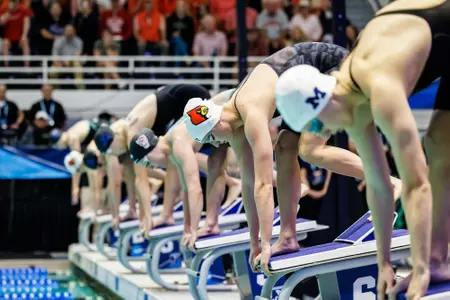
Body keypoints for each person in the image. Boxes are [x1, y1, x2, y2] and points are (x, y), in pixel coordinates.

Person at [273, 1, 450, 298]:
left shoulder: (379, 85)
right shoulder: (351, 102)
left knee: (437, 146)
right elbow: (380, 186)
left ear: (325, 102)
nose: (324, 133)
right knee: (438, 143)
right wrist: (383, 263)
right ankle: (438, 261)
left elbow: (417, 184)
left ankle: (433, 261)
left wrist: (418, 269)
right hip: (434, 41)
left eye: (317, 126)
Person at [183, 42, 402, 275]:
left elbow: (264, 185)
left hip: (332, 68)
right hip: (298, 83)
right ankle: (288, 236)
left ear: (216, 123)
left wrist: (266, 244)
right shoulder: (235, 126)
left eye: (211, 138)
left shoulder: (251, 113)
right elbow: (249, 184)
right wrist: (255, 243)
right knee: (286, 148)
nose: (215, 144)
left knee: (310, 150)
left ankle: (389, 182)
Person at [128, 93, 243, 248]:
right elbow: (186, 191)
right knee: (214, 165)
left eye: (149, 163)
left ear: (152, 149)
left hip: (233, 103)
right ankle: (211, 224)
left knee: (247, 169)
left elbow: (195, 189)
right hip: (219, 114)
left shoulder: (178, 142)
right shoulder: (172, 149)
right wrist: (187, 228)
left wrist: (194, 230)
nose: (153, 167)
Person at [93, 84, 211, 235]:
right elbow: (130, 178)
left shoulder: (132, 134)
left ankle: (168, 214)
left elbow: (140, 180)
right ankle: (167, 213)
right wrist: (133, 211)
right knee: (174, 157)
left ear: (115, 138)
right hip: (176, 102)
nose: (112, 155)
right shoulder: (122, 135)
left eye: (110, 151)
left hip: (189, 97)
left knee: (176, 155)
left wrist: (147, 217)